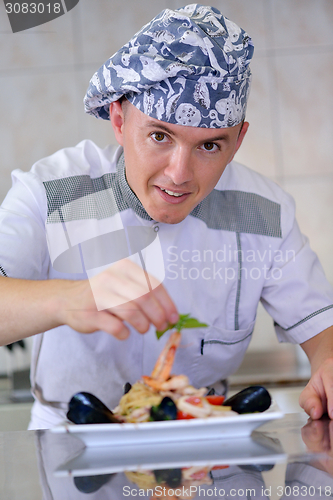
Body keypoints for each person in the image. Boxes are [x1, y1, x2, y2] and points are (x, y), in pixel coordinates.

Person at [0, 4, 333, 429]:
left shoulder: (264, 211)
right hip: (76, 452)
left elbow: (322, 327)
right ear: (119, 120)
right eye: (160, 136)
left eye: (210, 146)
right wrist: (66, 299)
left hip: (206, 454)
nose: (179, 175)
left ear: (237, 141)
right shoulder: (50, 192)